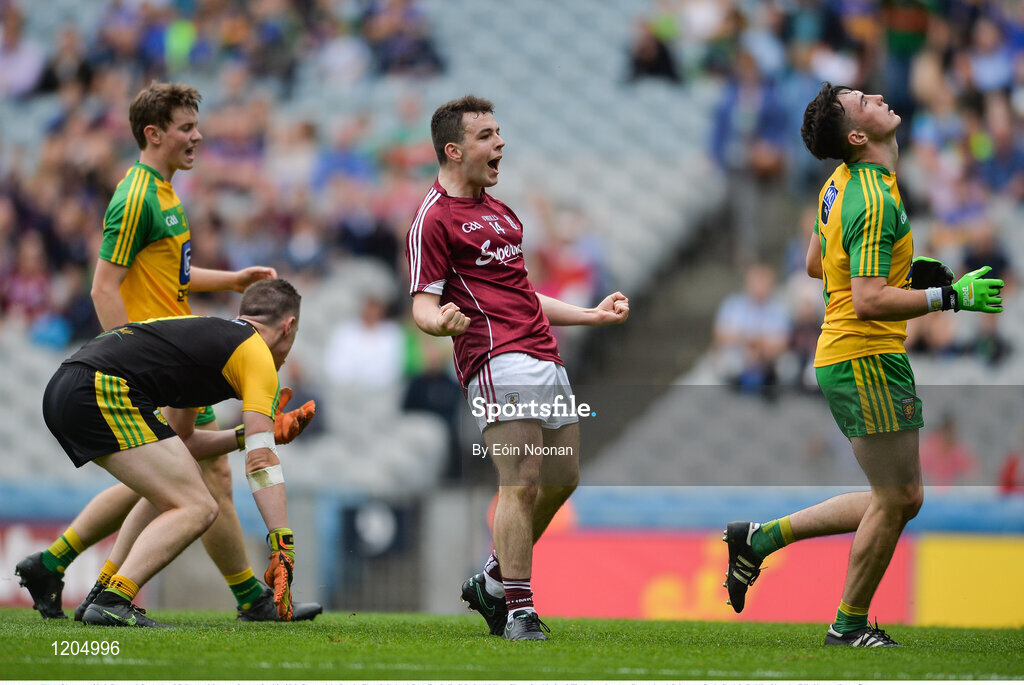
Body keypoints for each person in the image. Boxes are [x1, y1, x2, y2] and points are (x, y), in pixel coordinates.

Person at [14, 82, 320, 623]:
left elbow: (171, 275)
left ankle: (71, 568)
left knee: (184, 475)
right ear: (153, 134)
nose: (198, 136)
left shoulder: (165, 191)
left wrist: (232, 278)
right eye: (187, 127)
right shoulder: (135, 196)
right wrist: (129, 360)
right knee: (198, 484)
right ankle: (233, 598)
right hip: (150, 365)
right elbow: (103, 287)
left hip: (170, 359)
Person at [723, 82, 1004, 647]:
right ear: (857, 134)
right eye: (863, 102)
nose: (876, 98)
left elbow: (814, 264)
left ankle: (759, 541)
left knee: (897, 495)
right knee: (899, 497)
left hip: (851, 353)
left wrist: (905, 271)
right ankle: (847, 626)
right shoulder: (871, 196)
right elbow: (868, 298)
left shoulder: (842, 185)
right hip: (866, 355)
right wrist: (950, 298)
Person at [406, 95, 629, 641]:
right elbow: (421, 303)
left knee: (563, 477)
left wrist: (589, 315)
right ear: (454, 150)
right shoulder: (433, 217)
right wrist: (441, 324)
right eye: (486, 136)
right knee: (520, 481)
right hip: (494, 356)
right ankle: (520, 610)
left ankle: (491, 579)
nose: (500, 143)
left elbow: (523, 294)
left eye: (498, 133)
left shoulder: (502, 213)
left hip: (542, 352)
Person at [42, 279, 305, 627]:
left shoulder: (215, 342)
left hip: (67, 386)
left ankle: (103, 591)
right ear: (288, 327)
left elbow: (186, 443)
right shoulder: (256, 356)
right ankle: (113, 599)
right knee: (198, 505)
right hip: (98, 388)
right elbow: (261, 461)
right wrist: (282, 544)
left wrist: (245, 435)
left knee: (174, 487)